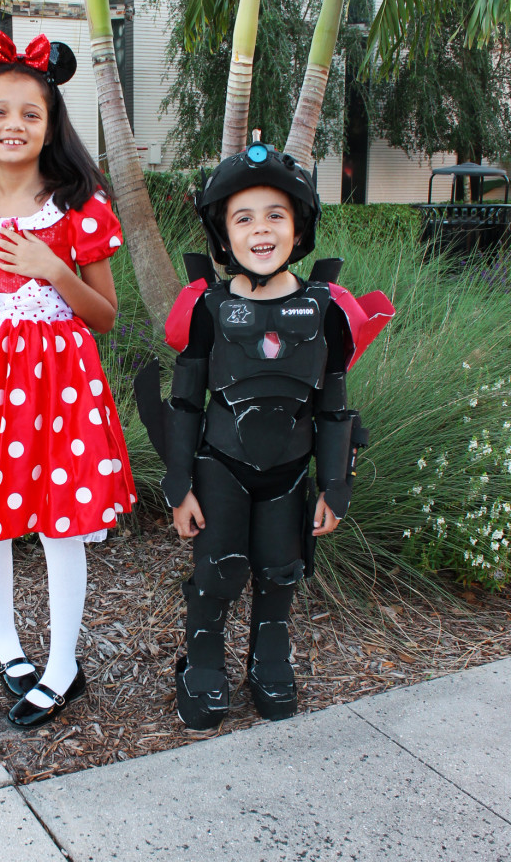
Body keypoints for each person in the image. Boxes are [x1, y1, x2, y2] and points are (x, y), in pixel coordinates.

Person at [0, 32, 136, 729]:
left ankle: (64, 666)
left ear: (50, 126)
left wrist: (54, 268)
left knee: (59, 525)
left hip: (57, 390)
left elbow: (104, 315)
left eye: (30, 113)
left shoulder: (78, 207)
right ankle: (8, 646)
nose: (14, 124)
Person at [135, 142, 394, 730]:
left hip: (289, 472)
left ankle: (269, 658)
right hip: (221, 466)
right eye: (243, 217)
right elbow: (184, 401)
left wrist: (335, 484)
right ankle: (202, 662)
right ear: (223, 236)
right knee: (220, 570)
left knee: (281, 570)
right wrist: (179, 485)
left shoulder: (327, 308)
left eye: (276, 214)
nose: (261, 230)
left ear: (298, 226)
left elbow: (333, 406)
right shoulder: (208, 306)